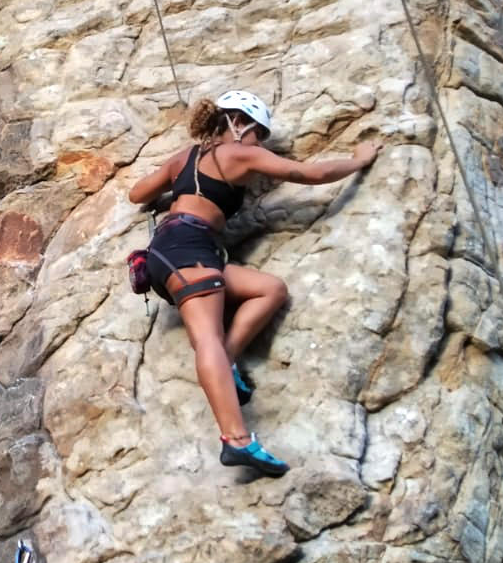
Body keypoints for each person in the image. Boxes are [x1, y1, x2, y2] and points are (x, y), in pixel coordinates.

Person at [128, 90, 381, 476]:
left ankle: (227, 361)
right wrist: (358, 160)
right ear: (238, 123)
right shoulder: (240, 154)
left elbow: (137, 193)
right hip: (191, 251)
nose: (258, 142)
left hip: (178, 250)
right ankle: (236, 439)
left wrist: (176, 195)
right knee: (206, 338)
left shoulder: (183, 158)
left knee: (270, 289)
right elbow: (307, 174)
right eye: (258, 133)